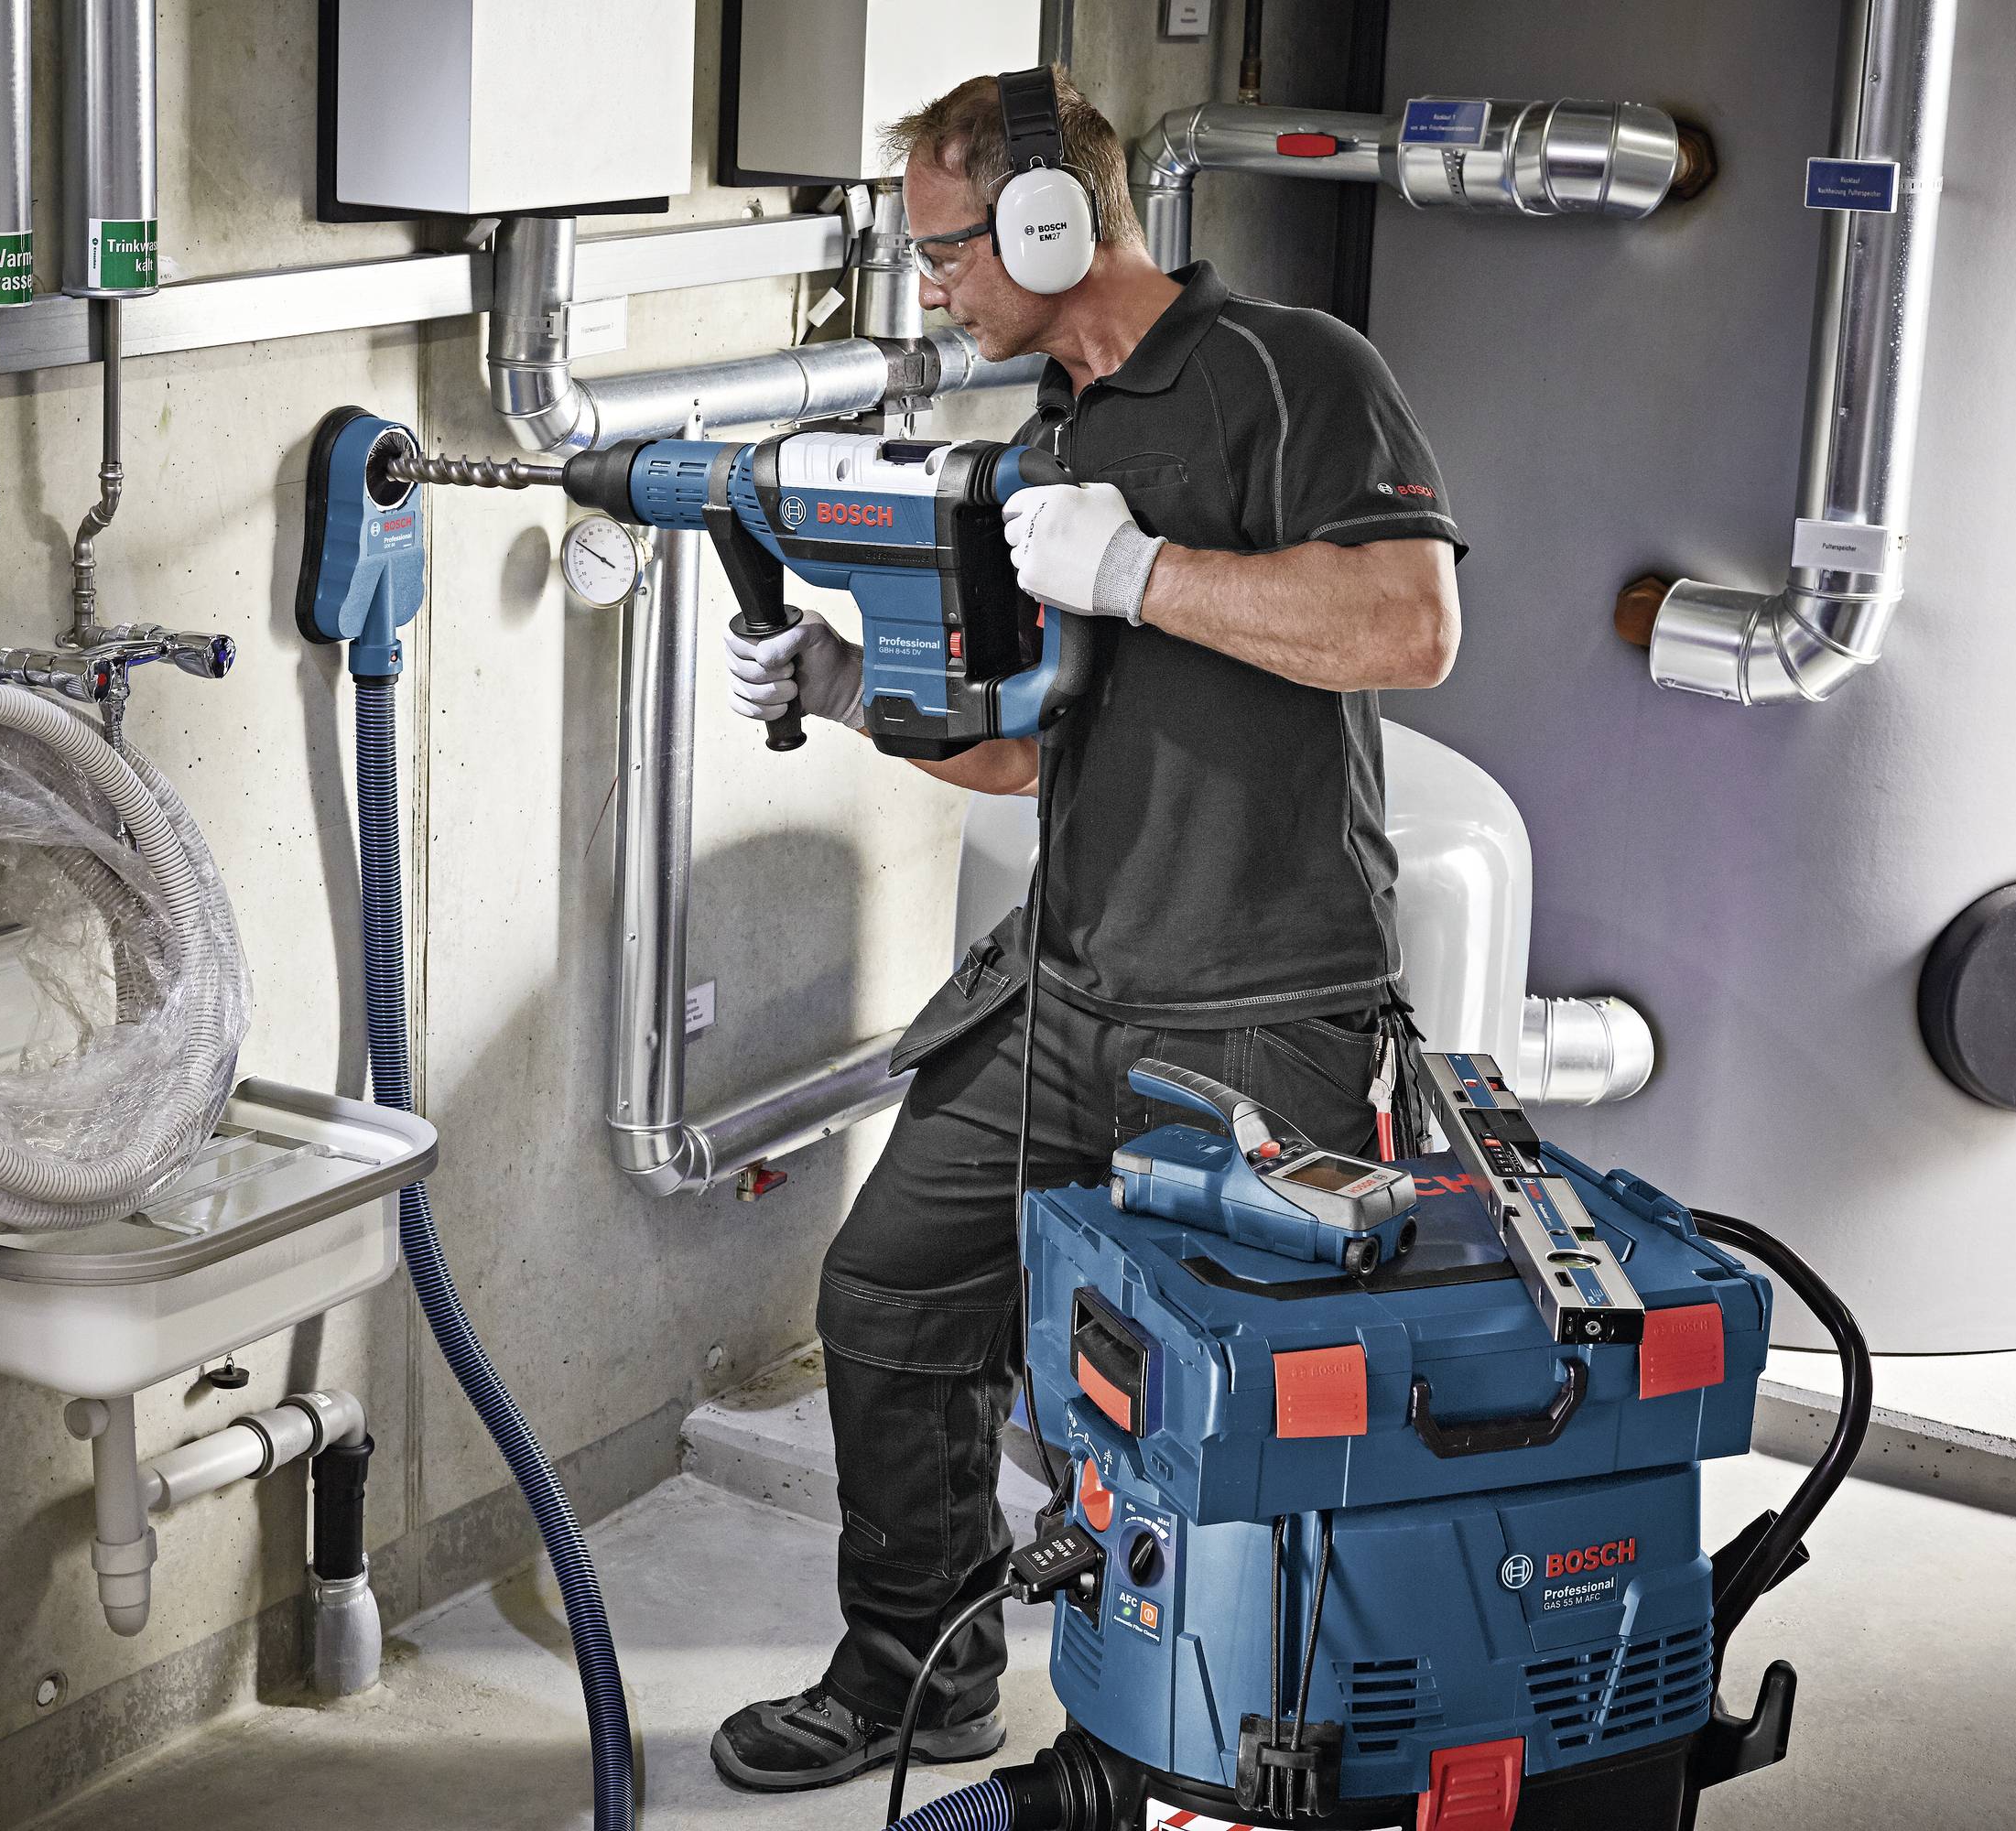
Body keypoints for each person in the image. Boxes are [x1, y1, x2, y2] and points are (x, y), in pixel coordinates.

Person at [706, 67, 1467, 1794]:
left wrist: (1146, 574)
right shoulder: (1045, 445)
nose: (931, 288)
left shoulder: (1296, 373)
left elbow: (1410, 625)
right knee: (891, 1295)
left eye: (946, 247)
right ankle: (925, 1668)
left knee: (1227, 1407)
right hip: (1072, 983)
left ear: (1057, 217)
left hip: (1270, 1004)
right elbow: (1028, 738)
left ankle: (1215, 1751)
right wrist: (838, 688)